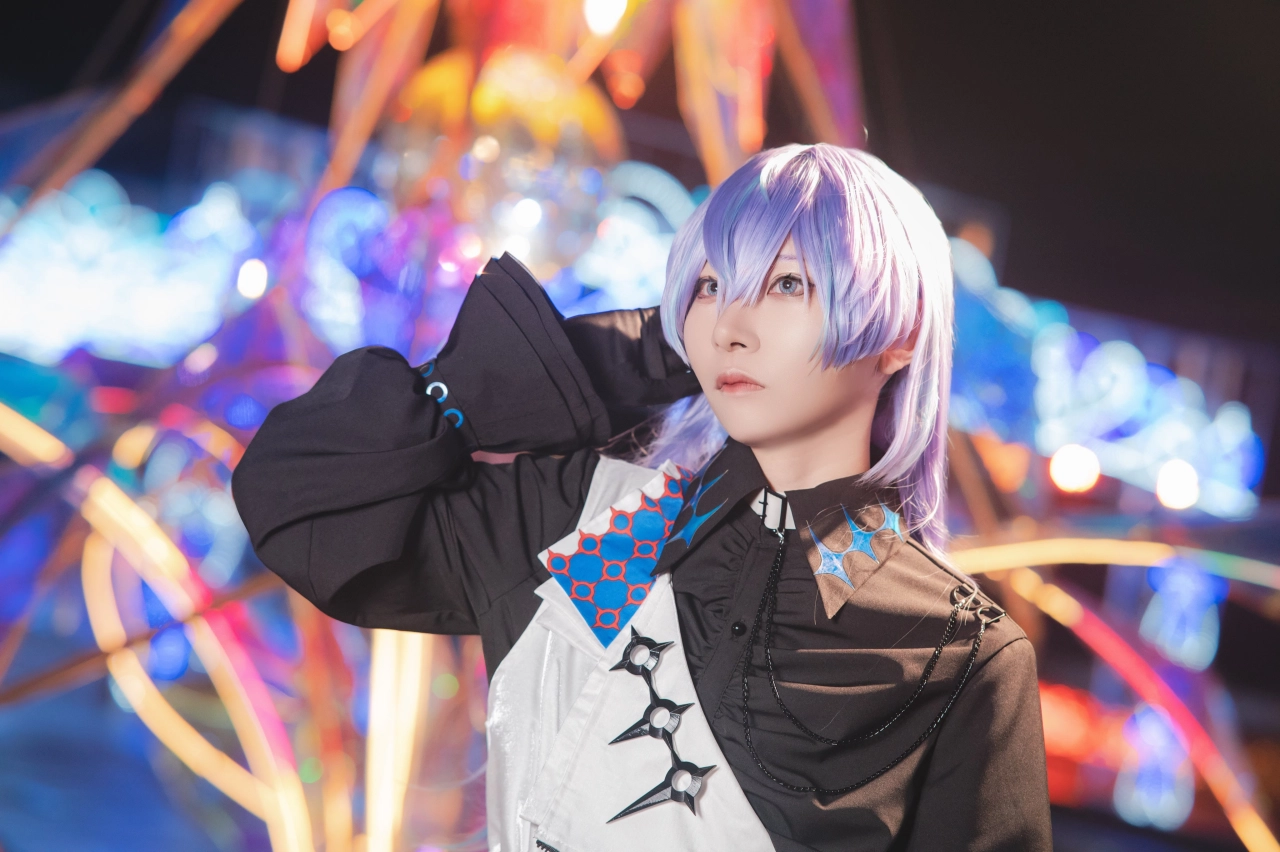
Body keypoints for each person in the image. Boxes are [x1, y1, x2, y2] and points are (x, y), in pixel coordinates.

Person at [232, 144, 1052, 852]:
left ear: (900, 331)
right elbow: (294, 494)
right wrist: (633, 354)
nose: (730, 327)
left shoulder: (957, 650)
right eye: (710, 285)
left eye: (787, 284)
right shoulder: (597, 524)